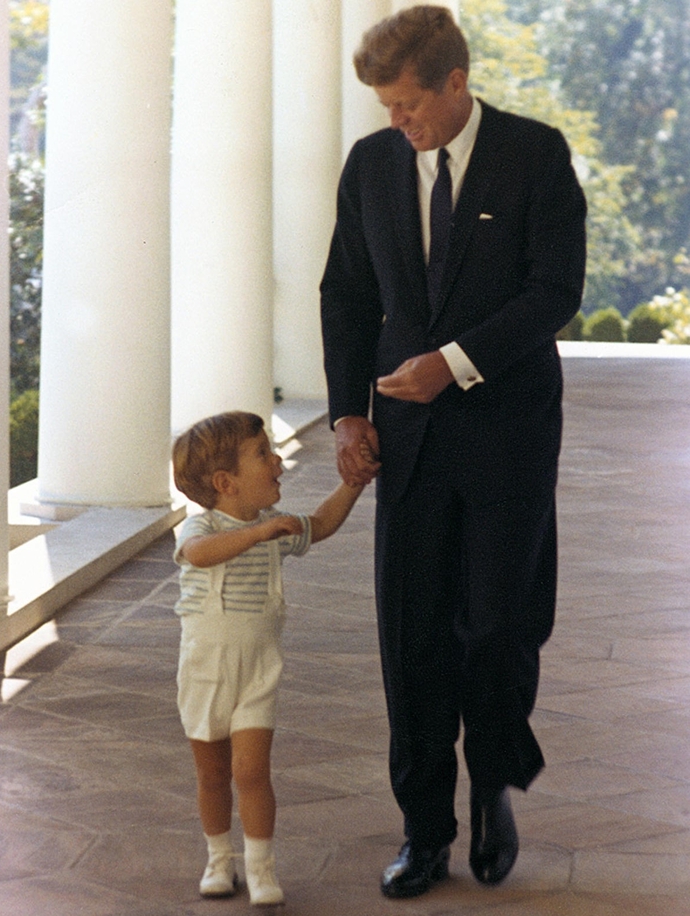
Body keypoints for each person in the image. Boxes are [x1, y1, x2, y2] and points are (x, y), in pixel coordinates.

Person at [320, 5, 586, 899]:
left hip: (508, 432)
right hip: (408, 444)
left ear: (455, 83)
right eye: (386, 109)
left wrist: (456, 365)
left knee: (501, 626)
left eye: (408, 106)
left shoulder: (535, 154)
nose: (398, 124)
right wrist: (346, 416)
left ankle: (495, 786)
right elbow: (347, 294)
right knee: (414, 635)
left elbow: (556, 291)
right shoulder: (371, 164)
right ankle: (424, 831)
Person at [171, 410, 364, 906]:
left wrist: (353, 485)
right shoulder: (203, 526)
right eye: (263, 454)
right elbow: (198, 554)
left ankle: (260, 867)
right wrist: (258, 535)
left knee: (252, 773)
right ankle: (219, 859)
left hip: (258, 671)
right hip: (205, 674)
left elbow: (319, 524)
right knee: (212, 775)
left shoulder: (273, 527)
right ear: (225, 482)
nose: (277, 460)